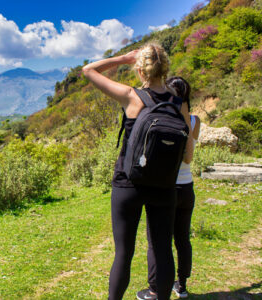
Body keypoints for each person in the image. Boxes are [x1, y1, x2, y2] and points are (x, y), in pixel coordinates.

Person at [82, 43, 194, 300]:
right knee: (164, 250)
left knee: (124, 252)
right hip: (166, 185)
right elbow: (187, 151)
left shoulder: (132, 96)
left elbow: (88, 70)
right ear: (166, 67)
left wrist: (123, 57)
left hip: (128, 182)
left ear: (140, 70)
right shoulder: (179, 104)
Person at [136, 77, 201, 300]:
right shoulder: (194, 120)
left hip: (166, 188)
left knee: (156, 241)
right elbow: (188, 157)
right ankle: (181, 286)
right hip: (187, 187)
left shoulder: (160, 117)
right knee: (183, 239)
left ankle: (155, 289)